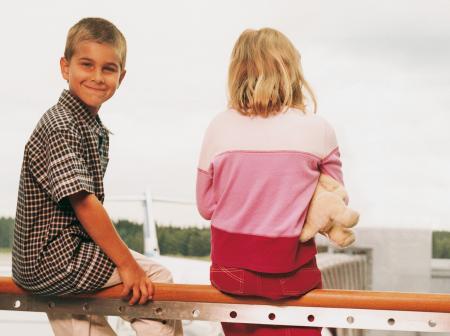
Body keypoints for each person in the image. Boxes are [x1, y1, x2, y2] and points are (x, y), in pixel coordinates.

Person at [12, 17, 182, 336]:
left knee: (84, 324)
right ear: (65, 67)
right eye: (86, 65)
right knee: (157, 279)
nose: (97, 77)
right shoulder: (62, 125)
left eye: (108, 69)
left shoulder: (87, 125)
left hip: (46, 261)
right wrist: (128, 266)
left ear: (122, 76)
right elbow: (84, 202)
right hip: (57, 258)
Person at [196, 28, 345, 335]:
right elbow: (335, 201)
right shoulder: (319, 130)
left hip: (231, 275)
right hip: (294, 278)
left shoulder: (218, 127)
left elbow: (206, 206)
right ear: (291, 71)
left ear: (237, 71)